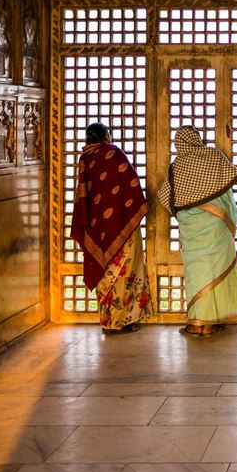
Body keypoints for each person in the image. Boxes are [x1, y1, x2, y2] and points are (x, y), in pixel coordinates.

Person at [158, 125, 237, 336]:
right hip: (217, 226)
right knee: (217, 270)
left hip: (192, 228)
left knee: (197, 273)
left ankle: (198, 323)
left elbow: (164, 196)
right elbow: (234, 177)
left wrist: (186, 209)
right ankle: (212, 320)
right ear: (197, 138)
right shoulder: (213, 155)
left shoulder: (176, 166)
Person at [71, 123, 155, 333]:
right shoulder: (113, 152)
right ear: (106, 135)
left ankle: (108, 322)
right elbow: (130, 181)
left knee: (105, 273)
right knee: (126, 272)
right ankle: (124, 321)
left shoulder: (85, 158)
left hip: (97, 227)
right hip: (122, 222)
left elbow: (84, 194)